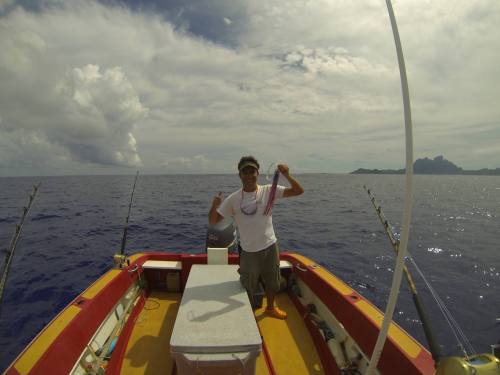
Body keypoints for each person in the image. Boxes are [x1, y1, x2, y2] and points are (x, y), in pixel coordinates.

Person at [209, 156, 304, 319]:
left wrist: (287, 175)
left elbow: (298, 191)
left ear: (258, 173)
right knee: (248, 284)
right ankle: (248, 312)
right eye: (244, 172)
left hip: (270, 245)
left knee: (273, 281)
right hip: (249, 251)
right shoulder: (233, 199)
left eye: (252, 171)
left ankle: (270, 308)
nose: (249, 175)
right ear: (240, 175)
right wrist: (215, 205)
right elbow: (213, 221)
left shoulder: (269, 190)